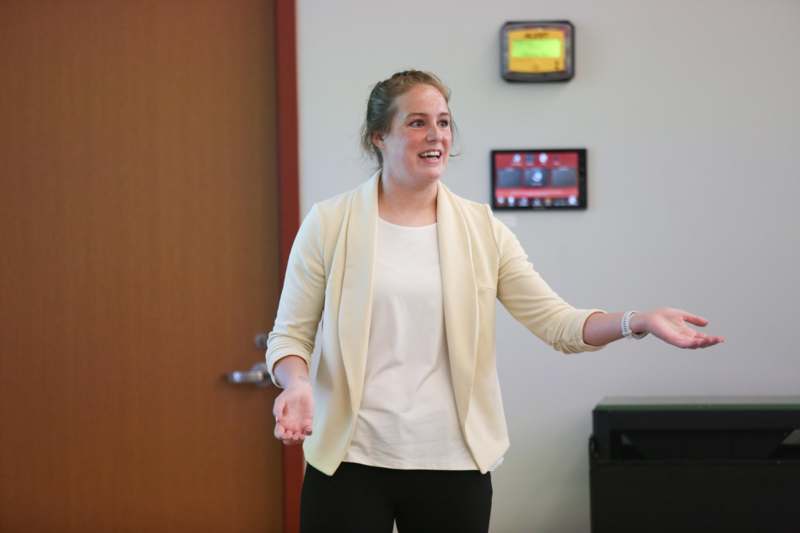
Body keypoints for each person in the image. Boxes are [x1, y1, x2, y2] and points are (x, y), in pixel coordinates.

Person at [265, 70, 724, 533]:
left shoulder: (482, 229)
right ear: (379, 136)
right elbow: (291, 336)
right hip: (349, 461)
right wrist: (297, 384)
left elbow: (558, 325)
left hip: (453, 463)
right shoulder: (329, 224)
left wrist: (636, 320)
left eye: (443, 122)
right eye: (418, 122)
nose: (436, 135)